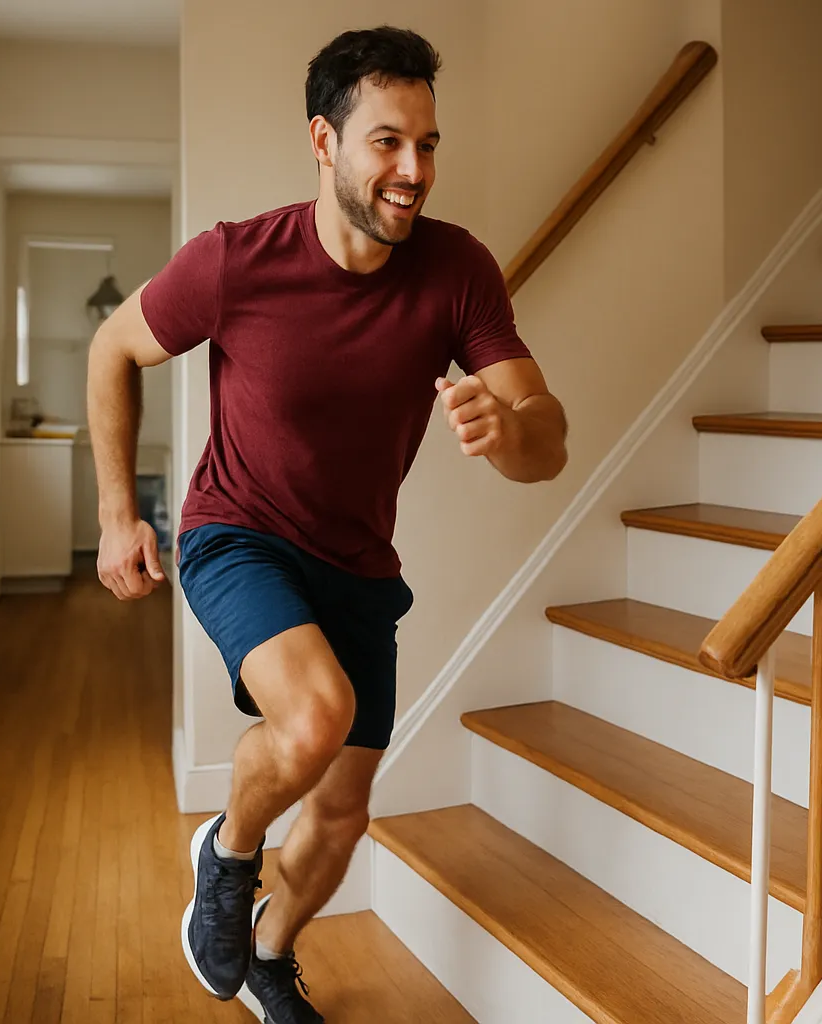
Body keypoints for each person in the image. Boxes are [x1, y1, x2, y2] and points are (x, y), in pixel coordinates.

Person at [86, 25, 567, 1024]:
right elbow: (112, 348)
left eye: (427, 145)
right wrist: (118, 512)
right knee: (314, 718)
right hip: (237, 533)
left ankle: (269, 953)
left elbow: (546, 444)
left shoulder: (457, 269)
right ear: (324, 141)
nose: (413, 170)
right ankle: (227, 851)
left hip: (359, 562)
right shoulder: (236, 261)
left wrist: (507, 427)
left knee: (343, 814)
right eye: (387, 142)